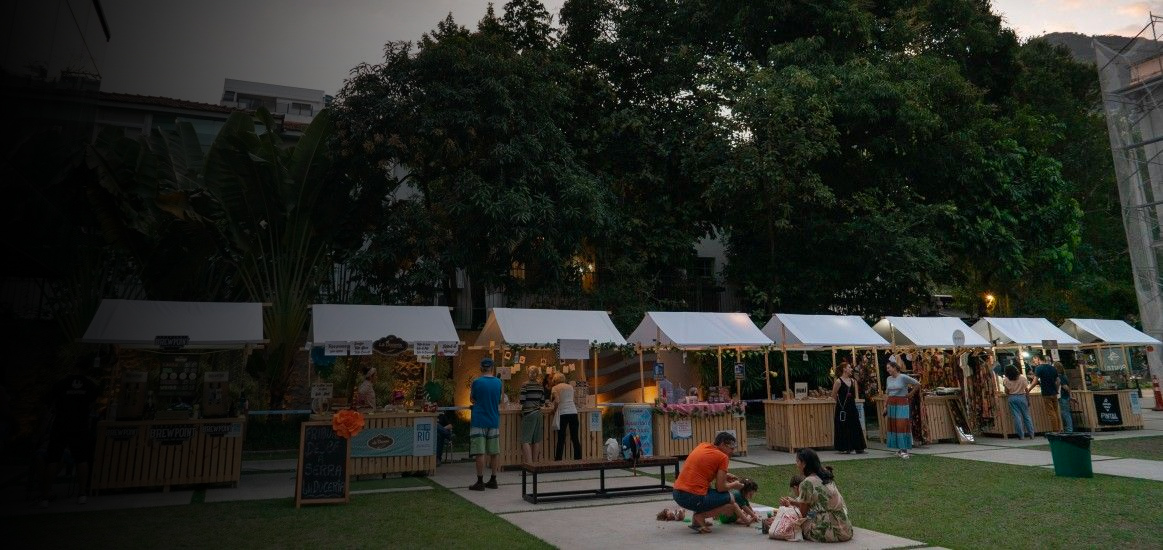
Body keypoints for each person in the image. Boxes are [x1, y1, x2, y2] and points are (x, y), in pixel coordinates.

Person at [41, 355, 100, 507]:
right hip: (80, 425)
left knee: (53, 459)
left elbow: (48, 403)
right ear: (88, 369)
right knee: (81, 459)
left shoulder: (61, 383)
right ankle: (82, 494)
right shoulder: (90, 385)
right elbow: (93, 404)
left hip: (61, 424)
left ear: (74, 367)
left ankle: (45, 496)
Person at [671, 431, 745, 534]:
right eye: (731, 448)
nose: (732, 451)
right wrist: (735, 485)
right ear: (723, 444)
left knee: (705, 488)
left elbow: (703, 470)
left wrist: (725, 475)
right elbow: (720, 487)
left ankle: (696, 522)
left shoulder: (703, 446)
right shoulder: (723, 457)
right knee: (730, 497)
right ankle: (699, 517)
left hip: (677, 493)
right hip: (691, 497)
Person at [779, 448, 853, 543]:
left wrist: (790, 507)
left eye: (797, 461)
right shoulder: (827, 477)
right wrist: (794, 502)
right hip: (845, 529)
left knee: (791, 524)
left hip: (827, 532)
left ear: (804, 464)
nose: (796, 464)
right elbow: (821, 505)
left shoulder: (807, 483)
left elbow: (803, 514)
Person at [468, 358, 502, 491]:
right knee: (494, 452)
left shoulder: (476, 382)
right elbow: (499, 400)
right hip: (493, 419)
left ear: (481, 368)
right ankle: (493, 479)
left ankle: (480, 481)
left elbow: (472, 398)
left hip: (479, 420)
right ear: (492, 368)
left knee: (480, 452)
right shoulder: (498, 382)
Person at [884, 357, 920, 458]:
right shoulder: (888, 379)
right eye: (887, 368)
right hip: (891, 403)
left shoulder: (903, 377)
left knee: (901, 425)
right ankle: (900, 449)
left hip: (902, 403)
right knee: (894, 426)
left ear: (895, 368)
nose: (887, 370)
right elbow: (887, 393)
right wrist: (885, 406)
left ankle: (904, 449)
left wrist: (911, 394)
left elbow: (917, 384)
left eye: (889, 368)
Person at [831, 361, 866, 454]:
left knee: (855, 424)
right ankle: (845, 447)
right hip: (842, 407)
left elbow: (855, 394)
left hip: (852, 405)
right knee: (843, 426)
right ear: (844, 369)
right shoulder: (838, 381)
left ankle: (858, 447)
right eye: (849, 367)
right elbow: (833, 395)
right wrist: (840, 403)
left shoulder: (853, 381)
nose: (851, 369)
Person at [549, 372, 581, 461]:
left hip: (563, 413)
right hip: (573, 412)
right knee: (575, 437)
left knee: (561, 438)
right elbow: (572, 399)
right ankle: (578, 459)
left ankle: (558, 460)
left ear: (555, 380)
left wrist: (554, 410)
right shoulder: (570, 387)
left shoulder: (555, 388)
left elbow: (557, 400)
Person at [519, 366, 546, 464]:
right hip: (538, 413)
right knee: (536, 440)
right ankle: (535, 465)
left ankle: (529, 465)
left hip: (529, 414)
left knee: (525, 440)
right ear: (537, 374)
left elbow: (522, 401)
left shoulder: (524, 385)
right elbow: (542, 402)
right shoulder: (540, 386)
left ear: (528, 374)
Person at [1030, 356, 1062, 432]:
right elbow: (1058, 381)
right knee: (1056, 411)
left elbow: (1035, 382)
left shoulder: (1039, 368)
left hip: (1046, 393)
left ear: (1039, 359)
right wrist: (1056, 389)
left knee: (1051, 412)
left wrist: (1028, 390)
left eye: (1036, 360)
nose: (1035, 362)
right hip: (1054, 393)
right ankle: (1059, 429)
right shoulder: (1053, 368)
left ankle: (1055, 431)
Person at [1004, 364, 1035, 439]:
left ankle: (1021, 435)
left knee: (1017, 417)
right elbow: (1026, 390)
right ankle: (1031, 434)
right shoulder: (1022, 378)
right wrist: (1028, 400)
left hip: (1012, 397)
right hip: (1022, 397)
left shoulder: (1006, 379)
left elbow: (1006, 391)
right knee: (1026, 416)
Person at [1055, 362, 1078, 433]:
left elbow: (1066, 387)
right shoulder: (1064, 376)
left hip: (1063, 397)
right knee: (1065, 413)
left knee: (1065, 413)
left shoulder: (1060, 377)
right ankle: (1068, 429)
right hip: (1065, 396)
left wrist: (1070, 396)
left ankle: (1069, 430)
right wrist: (1070, 396)